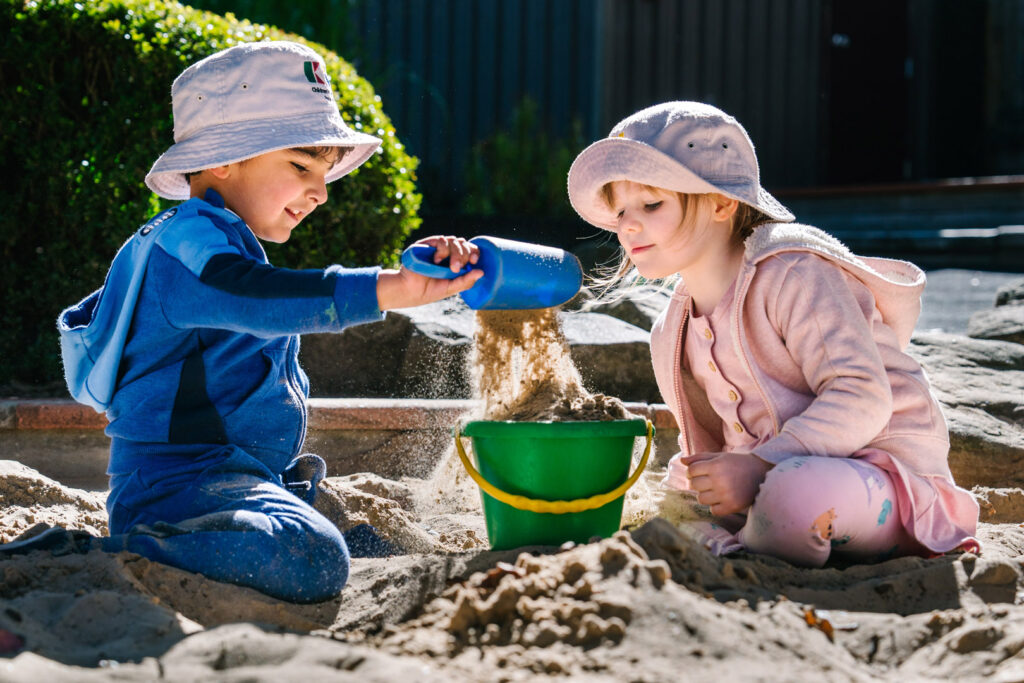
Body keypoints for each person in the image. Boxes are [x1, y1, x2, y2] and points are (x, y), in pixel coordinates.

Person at [1, 41, 483, 603]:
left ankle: (273, 509)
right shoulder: (189, 247)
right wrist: (391, 288)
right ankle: (101, 552)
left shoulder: (217, 240)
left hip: (238, 476)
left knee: (349, 543)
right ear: (223, 160)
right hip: (179, 488)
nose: (321, 193)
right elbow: (256, 300)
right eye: (301, 166)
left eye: (323, 174)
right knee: (313, 559)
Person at [566, 101, 979, 567]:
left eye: (651, 203)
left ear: (722, 202)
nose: (628, 224)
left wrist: (761, 465)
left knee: (791, 495)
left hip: (883, 482)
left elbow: (864, 396)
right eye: (619, 210)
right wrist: (705, 477)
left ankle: (754, 539)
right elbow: (716, 440)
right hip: (770, 482)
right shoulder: (669, 330)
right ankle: (754, 536)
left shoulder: (792, 274)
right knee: (664, 512)